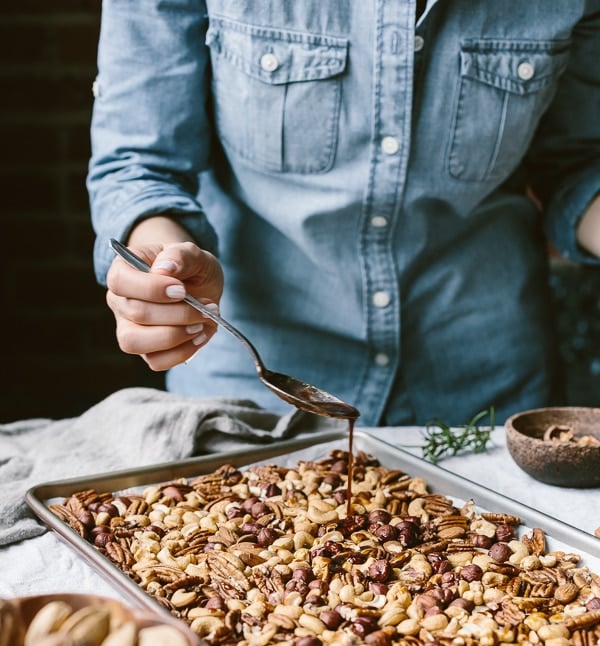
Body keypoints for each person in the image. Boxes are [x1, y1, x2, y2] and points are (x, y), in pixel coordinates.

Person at [87, 1, 600, 427]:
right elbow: (139, 160)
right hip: (253, 389)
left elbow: (577, 162)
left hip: (485, 388)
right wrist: (163, 261)